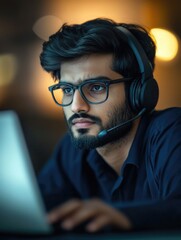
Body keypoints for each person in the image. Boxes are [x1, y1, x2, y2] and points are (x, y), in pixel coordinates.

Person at [38, 18, 181, 233]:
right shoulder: (71, 150)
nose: (77, 106)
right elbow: (37, 212)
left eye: (96, 87)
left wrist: (125, 215)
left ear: (138, 93)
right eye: (67, 90)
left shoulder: (172, 131)